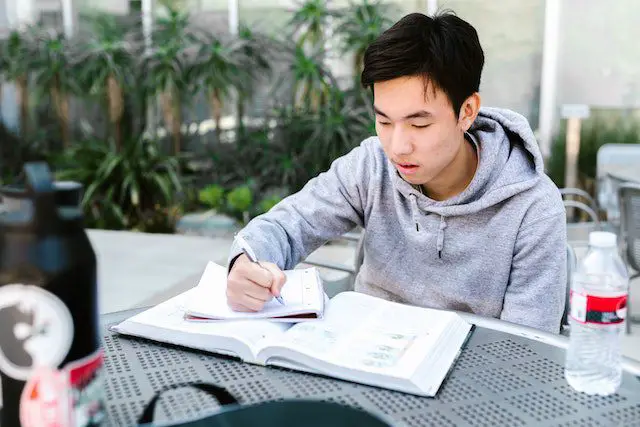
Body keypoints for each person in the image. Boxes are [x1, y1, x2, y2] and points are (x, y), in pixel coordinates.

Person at [225, 11, 567, 333]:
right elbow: (289, 224)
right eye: (384, 121)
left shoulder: (533, 209)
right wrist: (247, 262)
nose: (398, 146)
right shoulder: (371, 166)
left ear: (466, 111)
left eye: (419, 123)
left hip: (468, 382)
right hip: (362, 358)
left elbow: (525, 351)